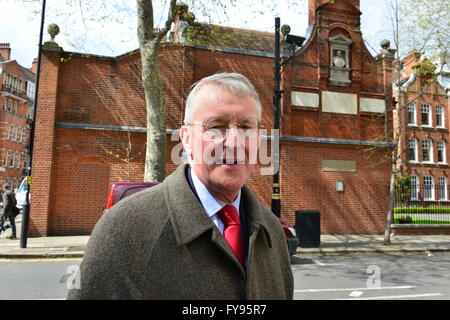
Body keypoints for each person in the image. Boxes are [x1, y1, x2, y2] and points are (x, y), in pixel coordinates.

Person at [67, 72, 293, 300]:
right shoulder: (124, 228)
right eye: (217, 126)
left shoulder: (272, 231)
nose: (234, 141)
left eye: (246, 127)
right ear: (186, 139)